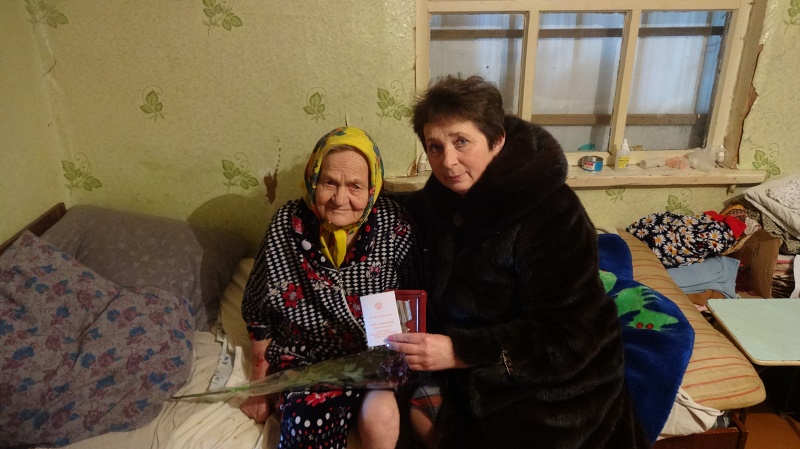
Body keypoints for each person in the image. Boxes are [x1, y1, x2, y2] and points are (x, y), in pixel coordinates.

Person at [385, 76, 651, 449]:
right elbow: (399, 208)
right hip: (471, 367)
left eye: (461, 142)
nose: (448, 161)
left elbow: (569, 336)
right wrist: (350, 195)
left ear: (497, 140)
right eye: (435, 147)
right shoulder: (444, 196)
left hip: (554, 383)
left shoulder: (552, 212)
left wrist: (459, 351)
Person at [240, 126, 421, 449]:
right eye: (329, 183)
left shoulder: (394, 224)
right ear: (313, 180)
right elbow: (259, 312)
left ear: (372, 188)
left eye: (355, 186)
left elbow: (411, 300)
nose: (340, 198)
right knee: (304, 425)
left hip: (372, 359)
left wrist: (398, 358)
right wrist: (260, 387)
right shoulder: (288, 224)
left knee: (382, 416)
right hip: (308, 361)